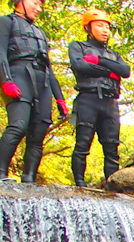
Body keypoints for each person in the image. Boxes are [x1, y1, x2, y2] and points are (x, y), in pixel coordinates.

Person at [0, 0, 68, 182]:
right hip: (18, 74)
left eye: (41, 5)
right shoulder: (6, 22)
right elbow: (0, 53)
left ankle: (28, 179)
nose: (38, 9)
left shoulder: (40, 33)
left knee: (38, 132)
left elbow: (50, 68)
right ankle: (0, 173)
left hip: (42, 80)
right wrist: (6, 80)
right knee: (18, 126)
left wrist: (60, 98)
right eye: (35, 3)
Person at [68, 8, 130, 187]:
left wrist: (99, 61)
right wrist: (111, 71)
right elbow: (80, 66)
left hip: (110, 102)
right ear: (88, 27)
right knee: (82, 144)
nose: (105, 30)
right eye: (100, 25)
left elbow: (125, 71)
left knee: (112, 147)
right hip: (88, 99)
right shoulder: (78, 46)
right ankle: (80, 183)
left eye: (107, 27)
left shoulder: (114, 54)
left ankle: (112, 185)